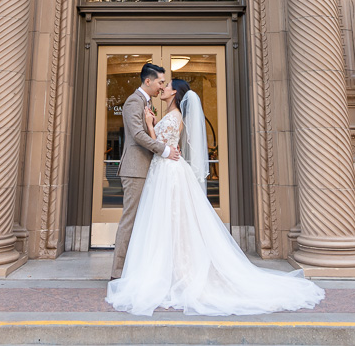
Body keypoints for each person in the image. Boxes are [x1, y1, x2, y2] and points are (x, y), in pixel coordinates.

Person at [107, 78, 324, 316]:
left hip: (168, 172)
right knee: (167, 221)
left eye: (167, 85)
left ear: (176, 93)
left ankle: (173, 272)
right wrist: (154, 122)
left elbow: (159, 144)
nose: (163, 88)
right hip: (164, 171)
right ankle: (168, 269)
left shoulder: (175, 116)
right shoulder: (171, 115)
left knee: (170, 220)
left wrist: (150, 124)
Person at [110, 63, 180, 280]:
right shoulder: (133, 101)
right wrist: (165, 150)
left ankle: (135, 270)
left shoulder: (147, 103)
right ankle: (117, 274)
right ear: (147, 81)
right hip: (135, 170)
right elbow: (138, 135)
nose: (161, 87)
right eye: (160, 82)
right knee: (130, 219)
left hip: (147, 169)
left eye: (164, 83)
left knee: (143, 221)